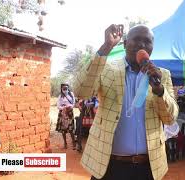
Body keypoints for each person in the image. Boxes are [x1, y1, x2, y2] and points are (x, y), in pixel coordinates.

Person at [73, 24, 178, 180]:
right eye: (136, 39)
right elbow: (80, 91)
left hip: (148, 167)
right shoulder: (106, 68)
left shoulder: (162, 75)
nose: (142, 44)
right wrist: (106, 46)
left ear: (152, 47)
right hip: (108, 166)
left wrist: (159, 89)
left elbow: (170, 118)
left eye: (147, 41)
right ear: (124, 43)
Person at [56, 83, 76, 149]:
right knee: (63, 129)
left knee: (71, 128)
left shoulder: (71, 94)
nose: (65, 90)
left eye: (66, 88)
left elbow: (73, 103)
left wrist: (70, 107)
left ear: (68, 88)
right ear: (61, 89)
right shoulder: (60, 96)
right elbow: (58, 106)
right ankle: (65, 143)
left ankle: (74, 142)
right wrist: (64, 108)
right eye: (64, 89)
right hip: (63, 114)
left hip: (70, 113)